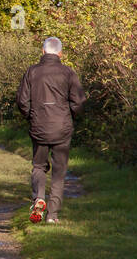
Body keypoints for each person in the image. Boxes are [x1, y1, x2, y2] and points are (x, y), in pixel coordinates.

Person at [16, 37, 86, 224]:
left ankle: (38, 198)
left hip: (39, 126)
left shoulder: (32, 72)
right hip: (62, 127)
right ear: (60, 53)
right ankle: (52, 215)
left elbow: (22, 101)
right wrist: (70, 115)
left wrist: (31, 116)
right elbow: (78, 101)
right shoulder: (68, 73)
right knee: (59, 170)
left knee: (39, 166)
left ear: (43, 51)